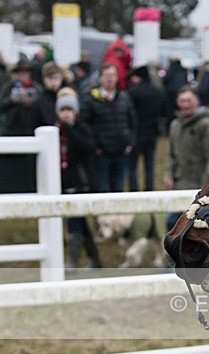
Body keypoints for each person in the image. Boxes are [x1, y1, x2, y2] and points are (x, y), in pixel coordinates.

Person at [55, 91, 102, 269]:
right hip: (63, 181)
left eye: (69, 110)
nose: (66, 114)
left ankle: (73, 261)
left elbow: (88, 148)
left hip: (80, 182)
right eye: (63, 110)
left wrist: (71, 132)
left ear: (75, 112)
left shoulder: (82, 128)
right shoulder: (55, 131)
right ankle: (95, 259)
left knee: (75, 221)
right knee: (80, 222)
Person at [79, 63, 136, 193]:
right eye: (107, 75)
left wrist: (130, 143)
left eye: (113, 75)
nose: (110, 79)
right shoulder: (91, 99)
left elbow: (132, 122)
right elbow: (84, 124)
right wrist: (95, 146)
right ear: (100, 78)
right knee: (101, 187)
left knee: (119, 187)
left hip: (121, 150)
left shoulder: (124, 97)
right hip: (101, 152)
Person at [164, 87, 209, 229]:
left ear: (197, 102)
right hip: (179, 183)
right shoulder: (175, 125)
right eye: (182, 101)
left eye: (189, 100)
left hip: (198, 184)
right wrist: (168, 172)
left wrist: (206, 184)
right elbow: (171, 153)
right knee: (171, 223)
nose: (185, 104)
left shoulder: (206, 125)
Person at [0, 59, 42, 193]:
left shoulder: (36, 88)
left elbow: (41, 108)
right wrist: (12, 100)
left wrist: (30, 103)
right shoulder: (8, 88)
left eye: (25, 72)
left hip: (29, 131)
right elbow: (2, 105)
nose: (22, 75)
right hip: (10, 132)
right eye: (19, 73)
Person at [127, 65, 166, 191]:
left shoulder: (133, 92)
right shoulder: (158, 92)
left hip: (136, 133)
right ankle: (149, 189)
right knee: (149, 165)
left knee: (132, 166)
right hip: (152, 132)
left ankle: (134, 190)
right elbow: (164, 111)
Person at [32, 61, 67, 127]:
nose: (53, 82)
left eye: (56, 78)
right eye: (50, 78)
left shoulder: (67, 97)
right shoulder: (39, 102)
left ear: (61, 79)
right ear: (44, 79)